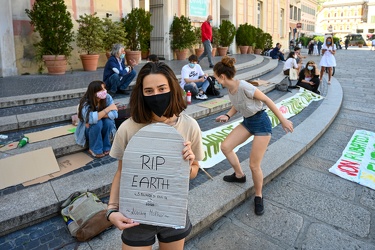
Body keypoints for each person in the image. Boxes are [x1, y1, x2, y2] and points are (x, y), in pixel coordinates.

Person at [107, 62, 204, 250]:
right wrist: (111, 210)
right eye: (149, 91)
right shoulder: (128, 128)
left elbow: (194, 172)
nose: (156, 95)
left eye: (162, 88)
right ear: (141, 94)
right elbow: (121, 172)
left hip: (173, 211)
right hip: (135, 215)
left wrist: (189, 164)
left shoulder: (190, 126)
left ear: (172, 88)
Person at [213, 56, 294, 215]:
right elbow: (237, 105)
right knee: (226, 146)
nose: (215, 80)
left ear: (222, 77)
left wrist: (283, 120)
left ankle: (258, 196)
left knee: (254, 165)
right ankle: (239, 175)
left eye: (216, 77)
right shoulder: (231, 89)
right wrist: (228, 116)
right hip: (248, 121)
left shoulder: (244, 86)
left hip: (261, 123)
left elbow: (268, 100)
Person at [75, 81, 118, 158]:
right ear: (94, 92)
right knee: (97, 123)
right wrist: (108, 109)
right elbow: (89, 118)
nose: (104, 91)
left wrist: (97, 116)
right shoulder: (85, 102)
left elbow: (115, 114)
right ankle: (94, 149)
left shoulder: (107, 97)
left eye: (104, 88)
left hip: (101, 126)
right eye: (101, 90)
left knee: (109, 122)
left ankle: (106, 146)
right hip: (88, 130)